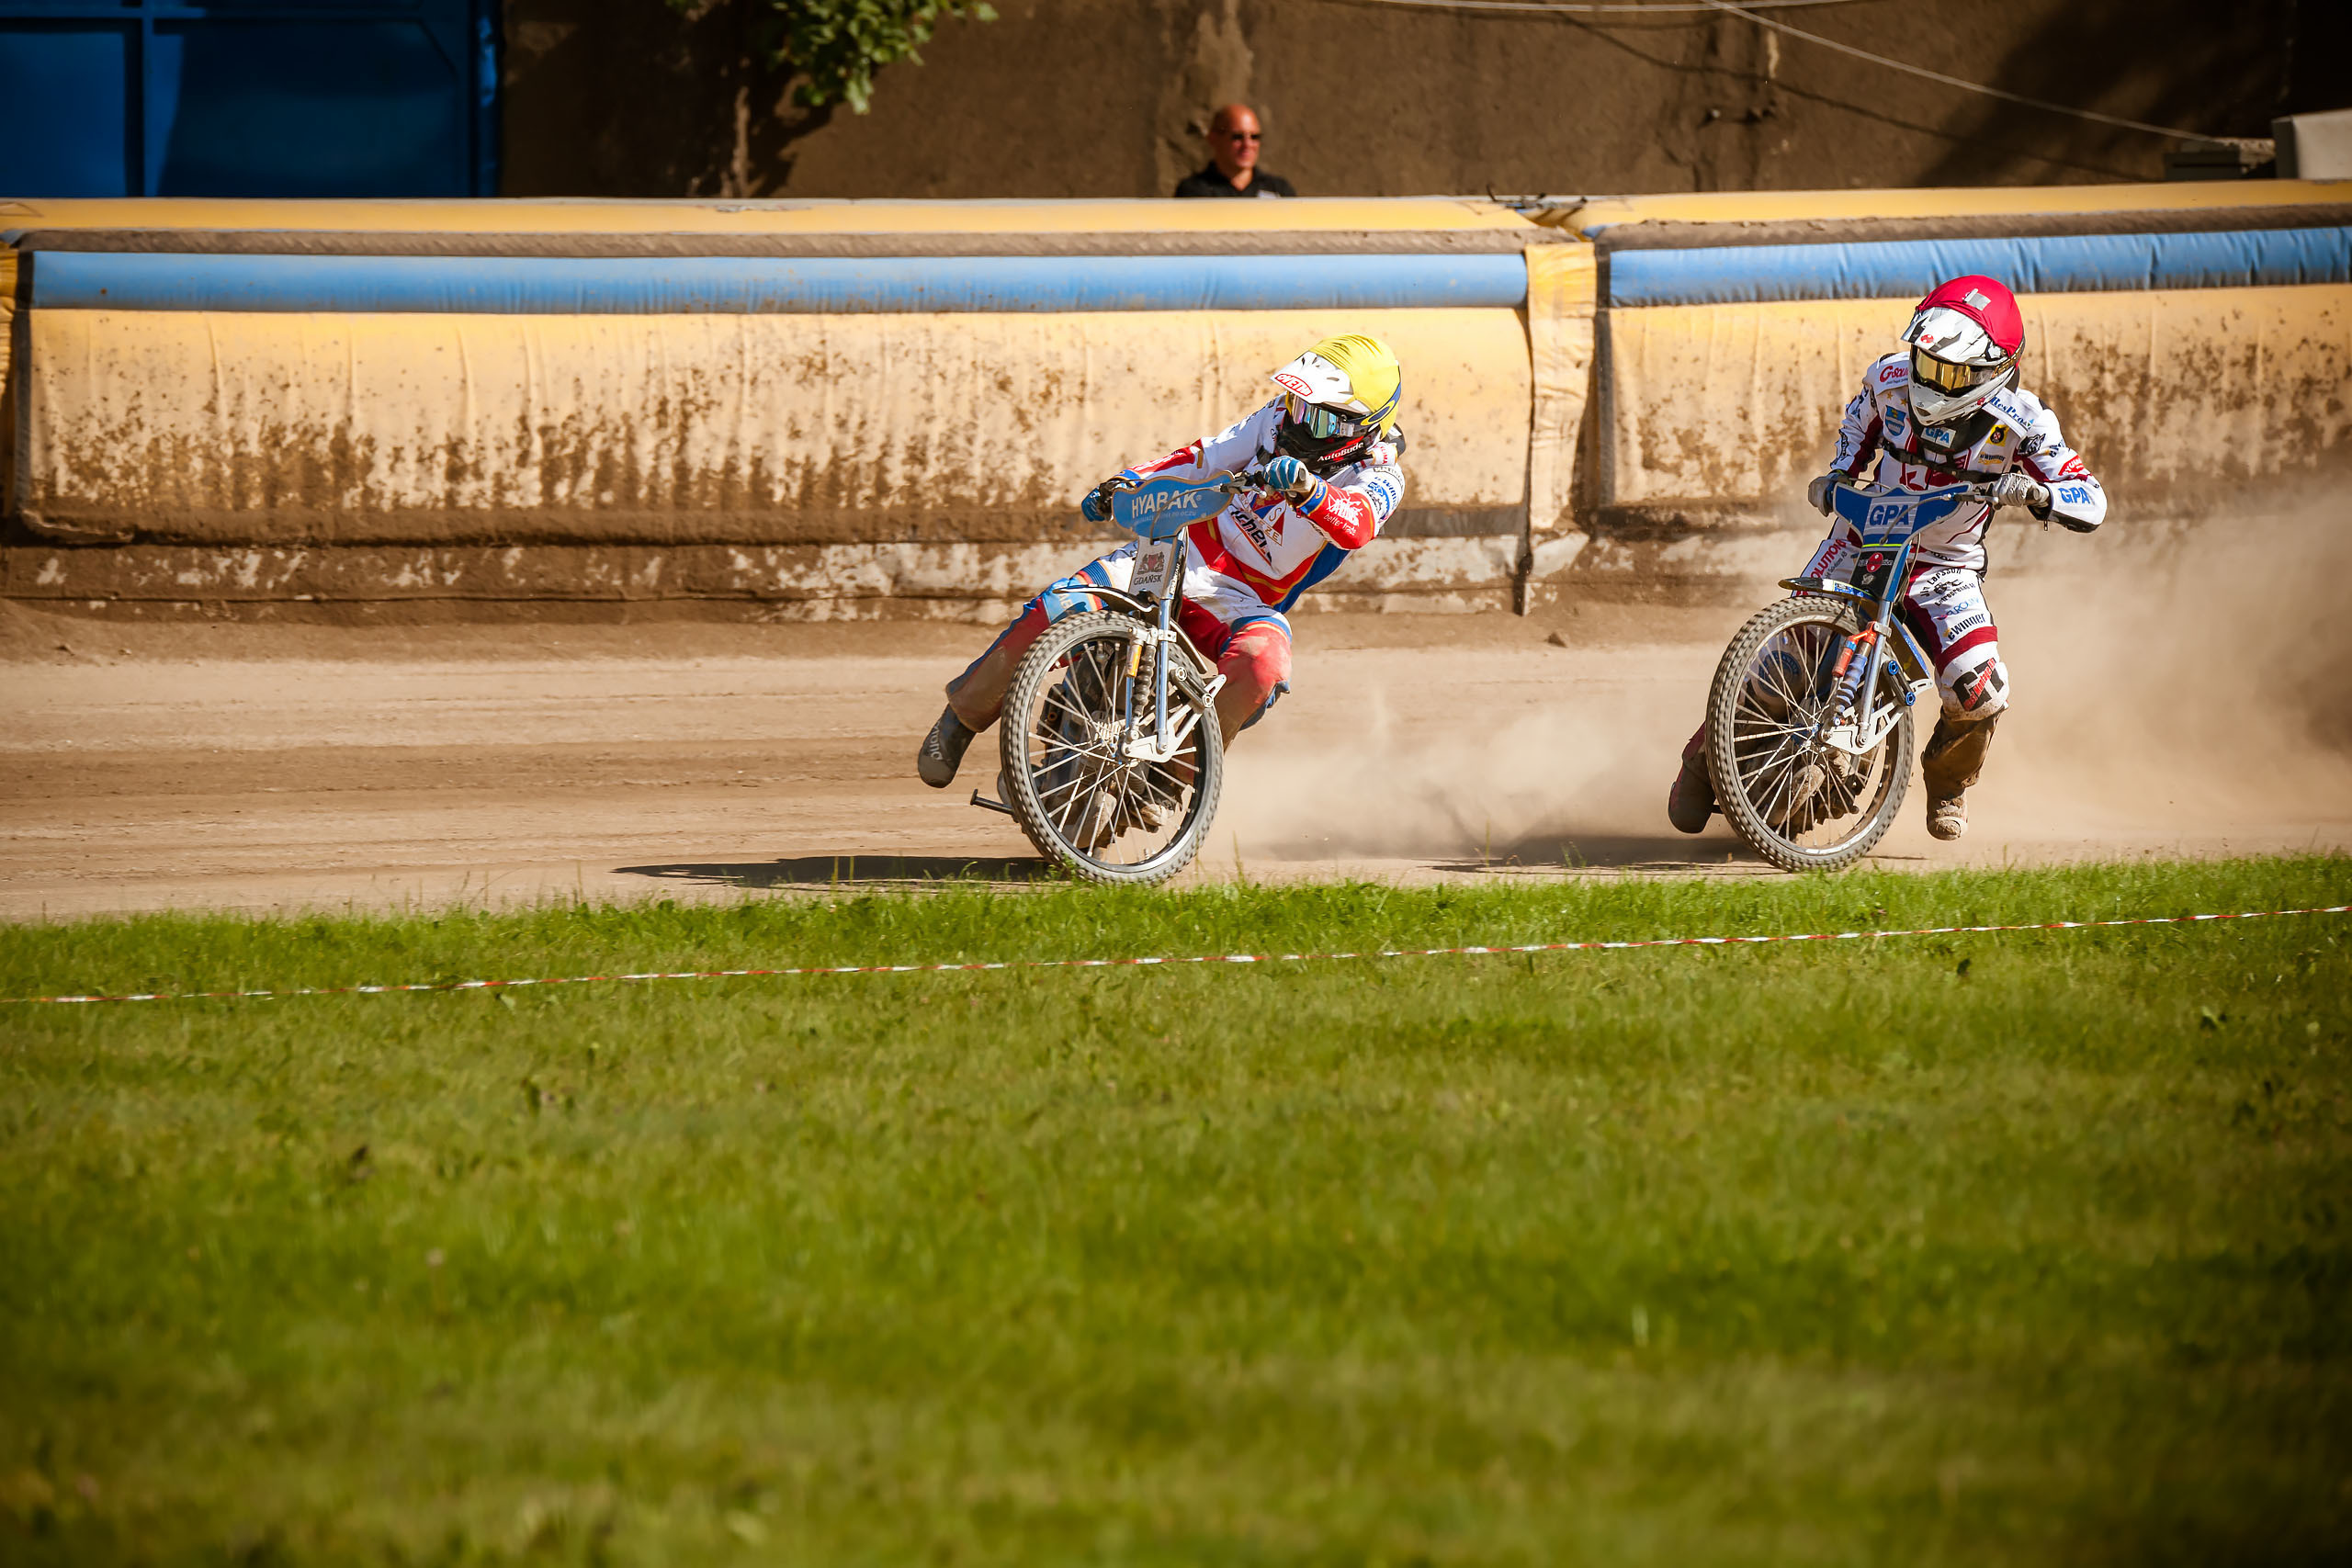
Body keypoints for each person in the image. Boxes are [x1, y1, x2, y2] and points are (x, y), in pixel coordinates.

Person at [1666, 274, 2108, 842]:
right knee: (1785, 654)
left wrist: (2040, 494)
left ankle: (1947, 783)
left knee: (1981, 691)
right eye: (1926, 361)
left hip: (1944, 567)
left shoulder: (2026, 421)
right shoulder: (1888, 379)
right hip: (1862, 538)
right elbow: (1856, 424)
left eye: (1950, 373)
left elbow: (2091, 498)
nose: (1931, 379)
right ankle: (1705, 760)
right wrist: (1840, 473)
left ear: (1992, 370)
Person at [916, 333, 1406, 814]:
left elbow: (1358, 524)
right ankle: (962, 716)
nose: (1297, 421)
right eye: (1298, 404)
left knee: (1265, 665)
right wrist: (1128, 481)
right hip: (1180, 552)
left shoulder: (1382, 476)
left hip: (1244, 600)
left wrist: (1309, 490)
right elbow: (1204, 458)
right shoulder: (1276, 417)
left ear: (1359, 428)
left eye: (1317, 416)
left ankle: (1170, 782)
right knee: (1059, 606)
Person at [1173, 103, 1296, 198]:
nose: (1247, 144)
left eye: (1254, 137)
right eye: (1237, 137)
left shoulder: (1279, 190)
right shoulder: (1195, 191)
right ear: (1213, 138)